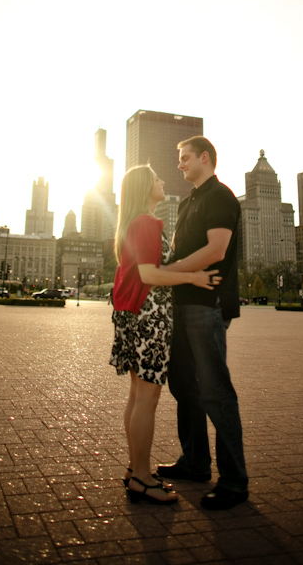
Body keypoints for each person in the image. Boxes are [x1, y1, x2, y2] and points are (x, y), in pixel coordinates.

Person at [110, 164, 221, 505]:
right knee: (147, 398)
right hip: (148, 318)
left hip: (133, 315)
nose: (162, 181)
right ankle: (142, 477)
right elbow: (149, 274)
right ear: (146, 187)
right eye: (156, 178)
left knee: (137, 396)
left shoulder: (137, 223)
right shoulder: (145, 222)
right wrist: (193, 278)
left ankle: (136, 470)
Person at [157, 136, 249, 510]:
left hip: (206, 306)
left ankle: (234, 481)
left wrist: (169, 271)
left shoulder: (220, 197)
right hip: (181, 304)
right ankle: (195, 463)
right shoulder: (189, 200)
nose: (179, 165)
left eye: (184, 159)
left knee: (214, 390)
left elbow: (216, 250)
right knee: (183, 385)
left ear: (205, 158)